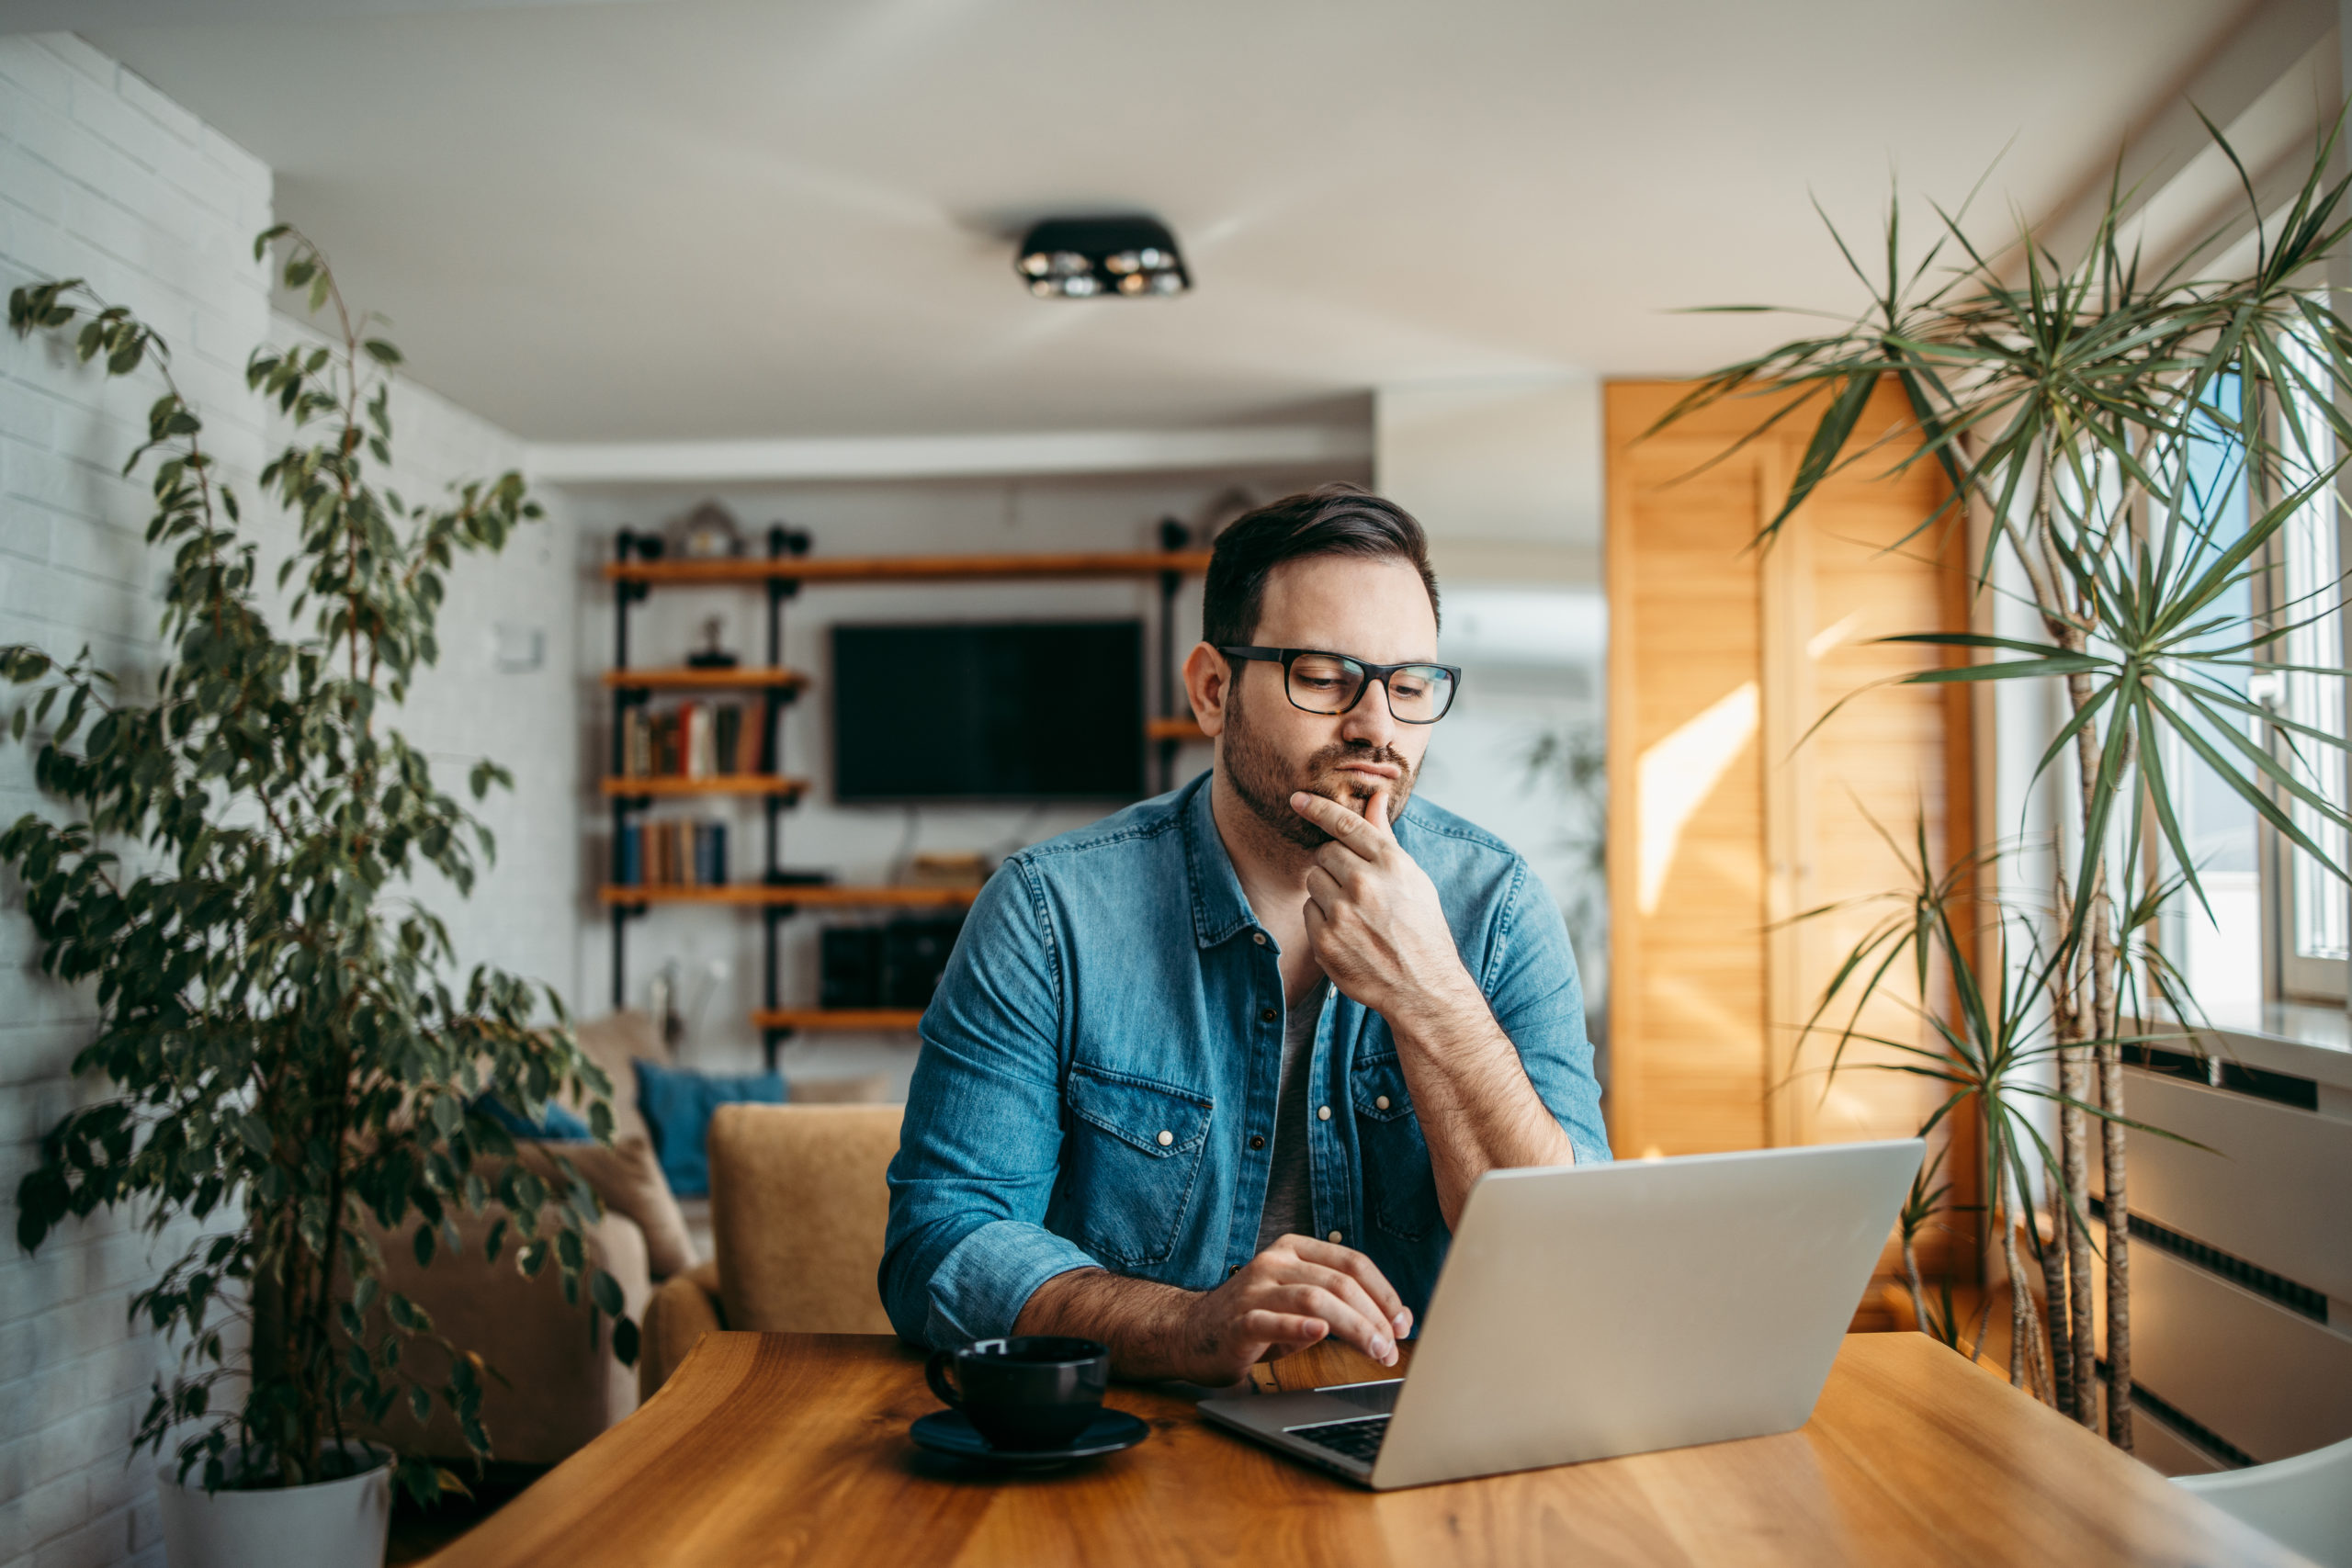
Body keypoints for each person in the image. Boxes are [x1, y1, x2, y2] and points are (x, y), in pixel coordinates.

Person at [879, 483, 1608, 1385]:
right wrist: (1189, 1325)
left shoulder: (1496, 908)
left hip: (1426, 1432)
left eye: (1410, 684)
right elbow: (939, 1250)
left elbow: (1566, 1258)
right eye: (1323, 674)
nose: (1376, 726)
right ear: (1212, 690)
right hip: (1142, 1444)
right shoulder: (1047, 915)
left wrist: (1430, 991)